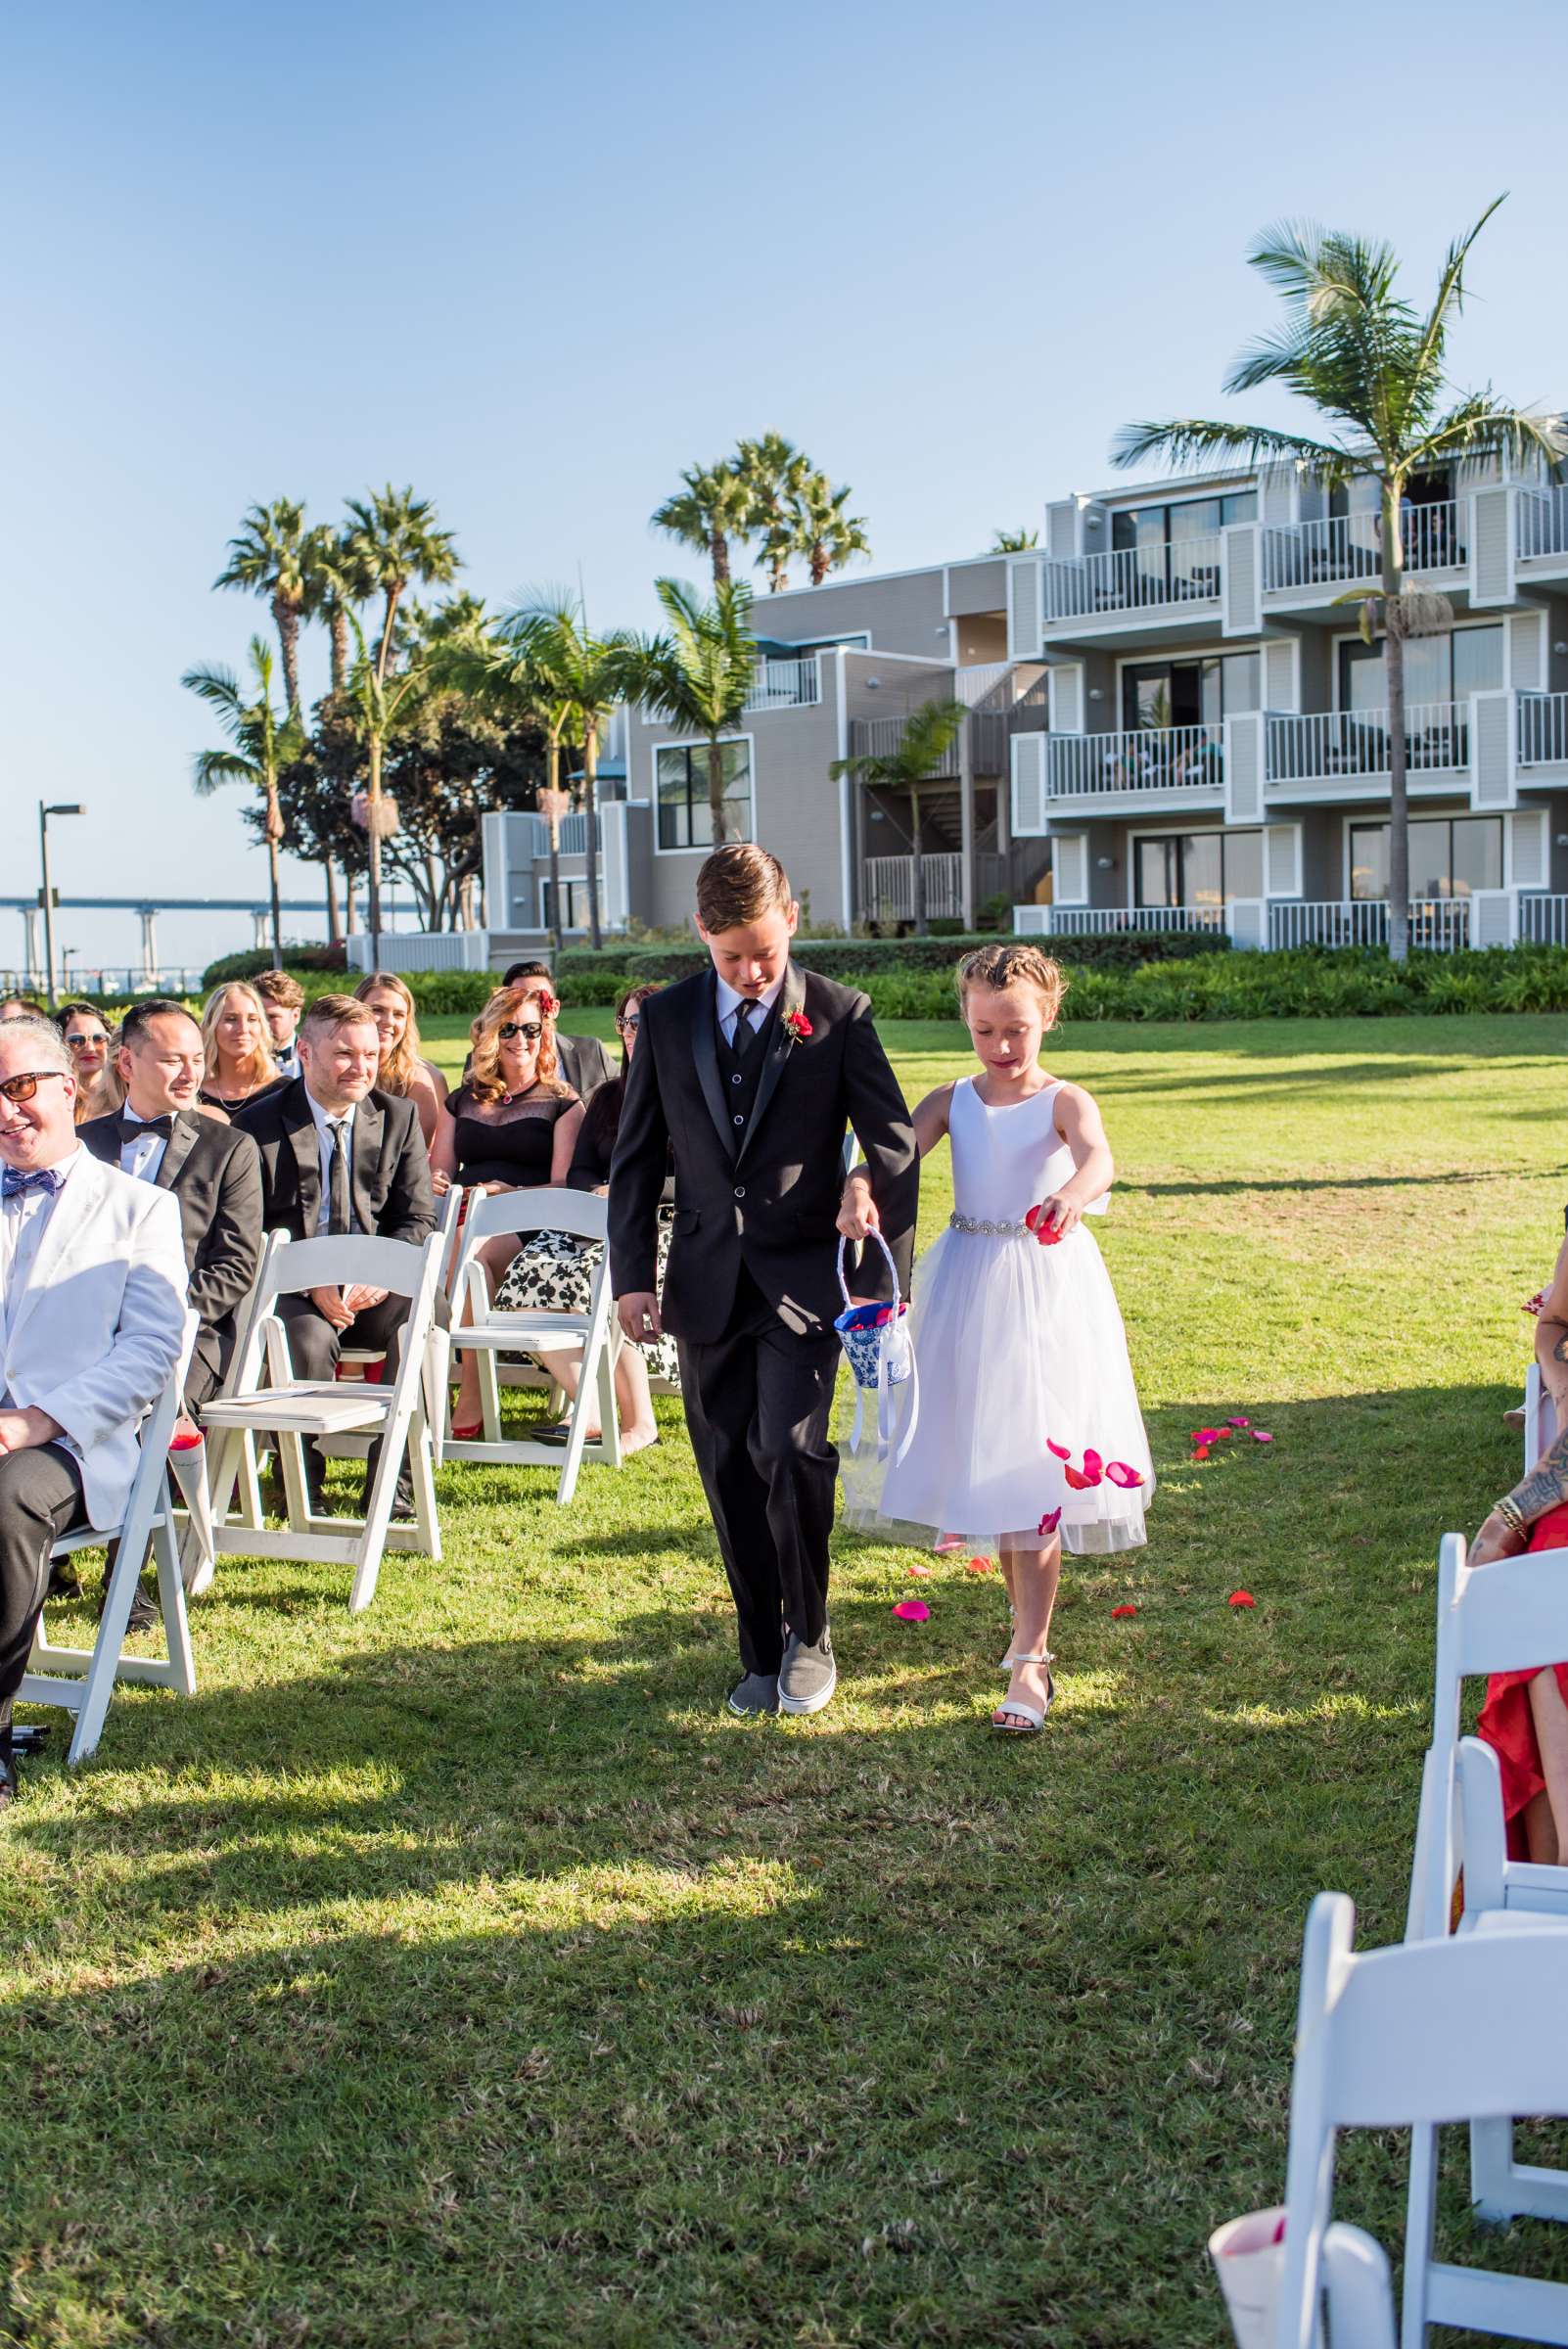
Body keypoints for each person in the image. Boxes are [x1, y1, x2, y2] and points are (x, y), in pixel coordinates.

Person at [610, 844, 917, 1721]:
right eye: (731, 955)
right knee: (727, 1468)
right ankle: (758, 1644)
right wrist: (634, 1274)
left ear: (793, 921)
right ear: (701, 933)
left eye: (766, 954)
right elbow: (635, 1160)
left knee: (787, 1451)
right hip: (704, 1283)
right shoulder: (666, 1021)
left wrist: (863, 1186)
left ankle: (811, 1635)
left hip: (805, 1282)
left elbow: (892, 1139)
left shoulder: (839, 1014)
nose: (750, 973)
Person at [842, 943, 1153, 1736]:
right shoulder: (954, 1097)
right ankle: (1026, 1638)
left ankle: (1032, 1656)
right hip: (968, 1279)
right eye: (985, 1031)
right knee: (994, 1465)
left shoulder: (1063, 1100)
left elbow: (1099, 1159)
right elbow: (892, 1150)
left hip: (1043, 1285)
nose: (1002, 1048)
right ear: (966, 1022)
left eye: (1017, 1030)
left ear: (1048, 1017)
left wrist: (1076, 1195)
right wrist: (857, 1187)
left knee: (1037, 1467)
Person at [0, 1015, 187, 1810]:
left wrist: (33, 1422)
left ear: (68, 1088)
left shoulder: (140, 1209)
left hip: (75, 1440)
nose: (5, 1112)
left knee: (4, 1502)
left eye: (18, 1089)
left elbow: (150, 1352)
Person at [235, 994, 437, 1509]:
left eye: (370, 1055)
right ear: (305, 1051)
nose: (361, 1067)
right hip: (295, 1289)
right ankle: (301, 1483)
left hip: (375, 1288)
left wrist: (383, 1272)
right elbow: (247, 1228)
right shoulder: (256, 1127)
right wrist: (309, 1278)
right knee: (301, 1337)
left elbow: (416, 1217)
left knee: (422, 1320)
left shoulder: (398, 1117)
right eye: (345, 1053)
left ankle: (393, 1481)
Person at [492, 981, 669, 1453]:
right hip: (593, 1218)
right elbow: (580, 1169)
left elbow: (700, 1176)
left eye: (645, 1021)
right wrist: (595, 1190)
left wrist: (633, 1192)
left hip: (660, 1224)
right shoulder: (608, 1096)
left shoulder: (689, 1094)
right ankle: (589, 1408)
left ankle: (640, 1423)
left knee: (608, 1283)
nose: (634, 1031)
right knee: (524, 1280)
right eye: (627, 1022)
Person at [78, 999, 263, 1423]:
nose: (190, 1074)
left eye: (197, 1059)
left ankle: (150, 1490)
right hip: (86, 1324)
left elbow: (234, 1266)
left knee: (143, 1409)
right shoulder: (80, 1146)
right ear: (126, 1063)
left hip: (189, 1330)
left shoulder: (230, 1149)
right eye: (172, 1061)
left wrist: (154, 1317)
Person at [431, 985, 583, 1441]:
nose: (521, 1039)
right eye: (509, 1029)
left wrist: (509, 1191)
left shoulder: (563, 1102)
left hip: (528, 1219)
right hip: (463, 1211)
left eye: (531, 1029)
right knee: (454, 1244)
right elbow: (439, 1168)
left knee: (467, 1251)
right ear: (490, 1036)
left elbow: (563, 1186)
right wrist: (439, 1182)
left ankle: (471, 1390)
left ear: (545, 1033)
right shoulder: (463, 1099)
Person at [353, 971, 448, 1147]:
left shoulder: (419, 1080)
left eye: (398, 1014)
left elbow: (416, 1155)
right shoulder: (338, 1069)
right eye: (377, 1010)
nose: (389, 1021)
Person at [503, 960, 617, 1101]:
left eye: (538, 999)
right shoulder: (484, 1061)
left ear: (555, 1008)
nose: (529, 1008)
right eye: (519, 1001)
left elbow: (627, 1097)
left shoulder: (591, 1051)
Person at [199, 983, 286, 1116]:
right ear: (211, 1026)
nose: (243, 1029)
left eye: (252, 1019)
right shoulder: (193, 1094)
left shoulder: (284, 1091)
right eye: (231, 1019)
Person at [57, 1001, 122, 1124]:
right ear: (59, 1045)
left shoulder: (129, 1096)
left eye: (99, 1038)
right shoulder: (53, 1102)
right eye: (76, 1040)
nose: (90, 1048)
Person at [254, 969, 305, 1082]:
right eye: (256, 1018)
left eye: (272, 1017)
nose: (264, 1025)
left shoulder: (314, 1058)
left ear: (295, 1015)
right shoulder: (239, 1059)